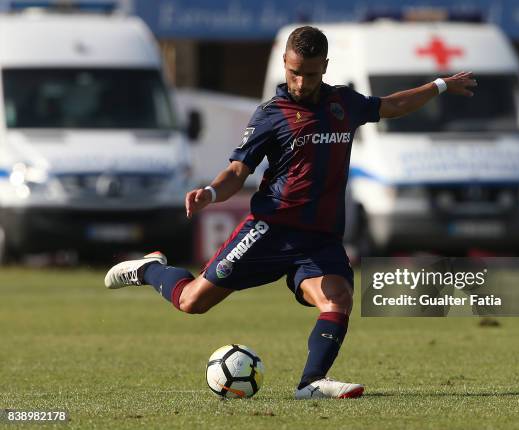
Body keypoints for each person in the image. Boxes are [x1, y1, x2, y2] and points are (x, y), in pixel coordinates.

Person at [104, 26, 476, 399]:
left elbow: (392, 105)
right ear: (285, 62)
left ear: (325, 67)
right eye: (294, 72)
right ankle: (149, 267)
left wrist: (440, 85)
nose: (300, 81)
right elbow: (238, 171)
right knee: (191, 302)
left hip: (319, 238)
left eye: (310, 74)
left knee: (338, 298)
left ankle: (311, 382)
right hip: (271, 230)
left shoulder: (343, 104)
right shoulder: (271, 114)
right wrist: (212, 192)